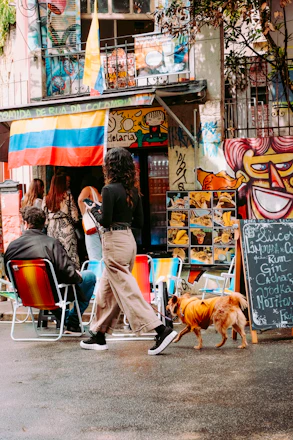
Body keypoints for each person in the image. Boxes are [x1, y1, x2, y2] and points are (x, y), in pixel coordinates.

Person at [80, 148, 177, 355]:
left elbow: (105, 221)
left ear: (110, 166)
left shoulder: (108, 190)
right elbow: (140, 223)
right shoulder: (133, 191)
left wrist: (95, 210)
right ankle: (98, 334)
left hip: (113, 241)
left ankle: (160, 329)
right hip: (128, 241)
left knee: (126, 290)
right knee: (107, 289)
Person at [4, 207, 96, 333]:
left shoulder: (12, 246)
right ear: (44, 224)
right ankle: (73, 322)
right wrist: (77, 276)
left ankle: (67, 319)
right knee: (89, 276)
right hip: (53, 294)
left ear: (25, 224)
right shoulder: (52, 243)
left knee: (48, 286)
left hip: (27, 295)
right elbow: (68, 273)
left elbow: (9, 274)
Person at [42, 174, 80, 269]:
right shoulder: (68, 197)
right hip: (66, 228)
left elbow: (44, 220)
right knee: (70, 255)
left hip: (51, 229)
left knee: (55, 255)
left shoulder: (46, 199)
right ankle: (73, 278)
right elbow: (75, 217)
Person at [78, 175, 104, 261]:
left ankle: (96, 274)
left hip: (92, 229)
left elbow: (80, 200)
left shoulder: (88, 189)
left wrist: (84, 214)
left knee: (94, 257)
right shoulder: (101, 194)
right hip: (101, 228)